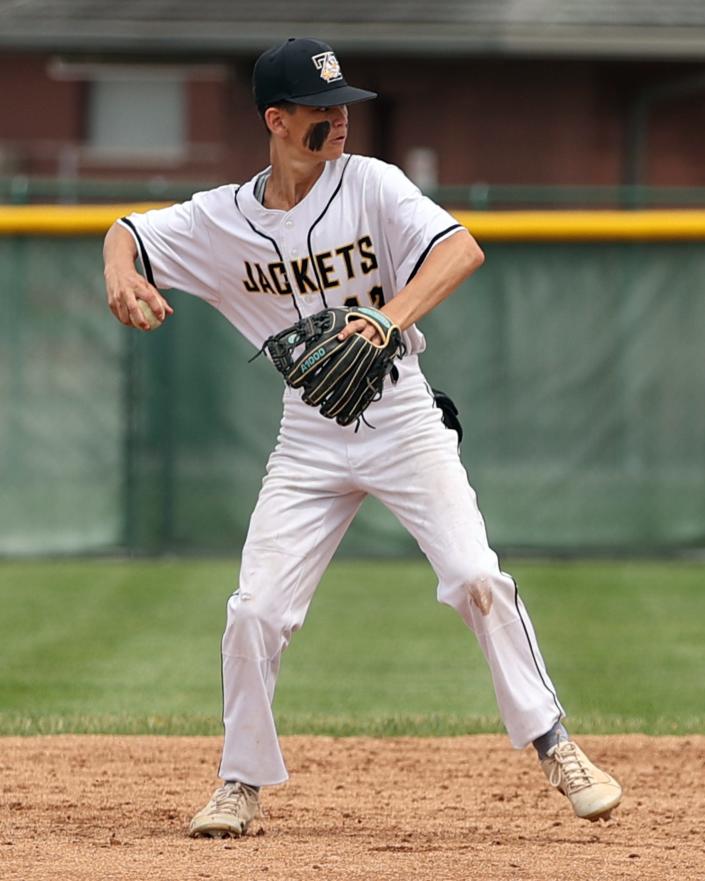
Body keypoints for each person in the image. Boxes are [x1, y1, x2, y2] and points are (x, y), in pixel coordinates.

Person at [103, 37, 622, 838]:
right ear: (276, 120)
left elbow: (459, 249)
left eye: (343, 106)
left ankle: (556, 746)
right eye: (321, 111)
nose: (340, 121)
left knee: (475, 577)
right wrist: (121, 272)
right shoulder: (220, 220)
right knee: (254, 611)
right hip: (308, 433)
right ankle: (239, 782)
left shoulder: (371, 184)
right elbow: (128, 230)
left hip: (401, 416)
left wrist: (385, 319)